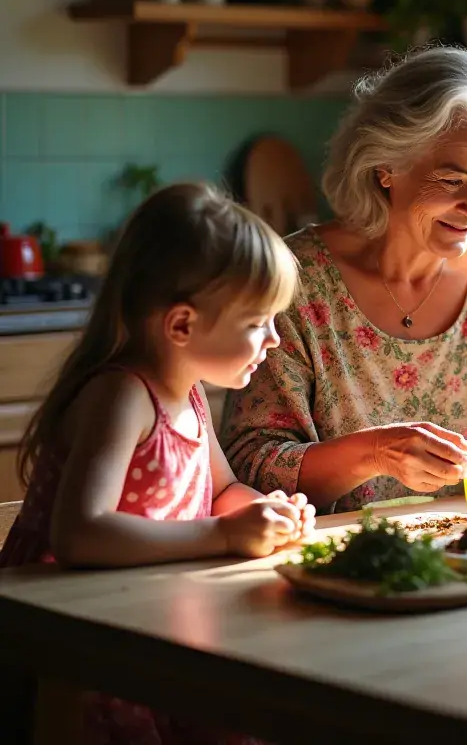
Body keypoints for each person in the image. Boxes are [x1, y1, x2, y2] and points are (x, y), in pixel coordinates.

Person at [221, 46, 467, 514]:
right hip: (343, 567)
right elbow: (249, 467)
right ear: (385, 167)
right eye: (452, 181)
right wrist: (375, 454)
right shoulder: (293, 279)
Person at [1, 182, 314, 744]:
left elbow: (222, 491)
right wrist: (224, 535)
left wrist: (266, 511)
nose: (274, 340)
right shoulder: (122, 397)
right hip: (74, 643)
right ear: (182, 325)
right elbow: (80, 535)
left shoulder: (188, 392)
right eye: (256, 322)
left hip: (146, 616)